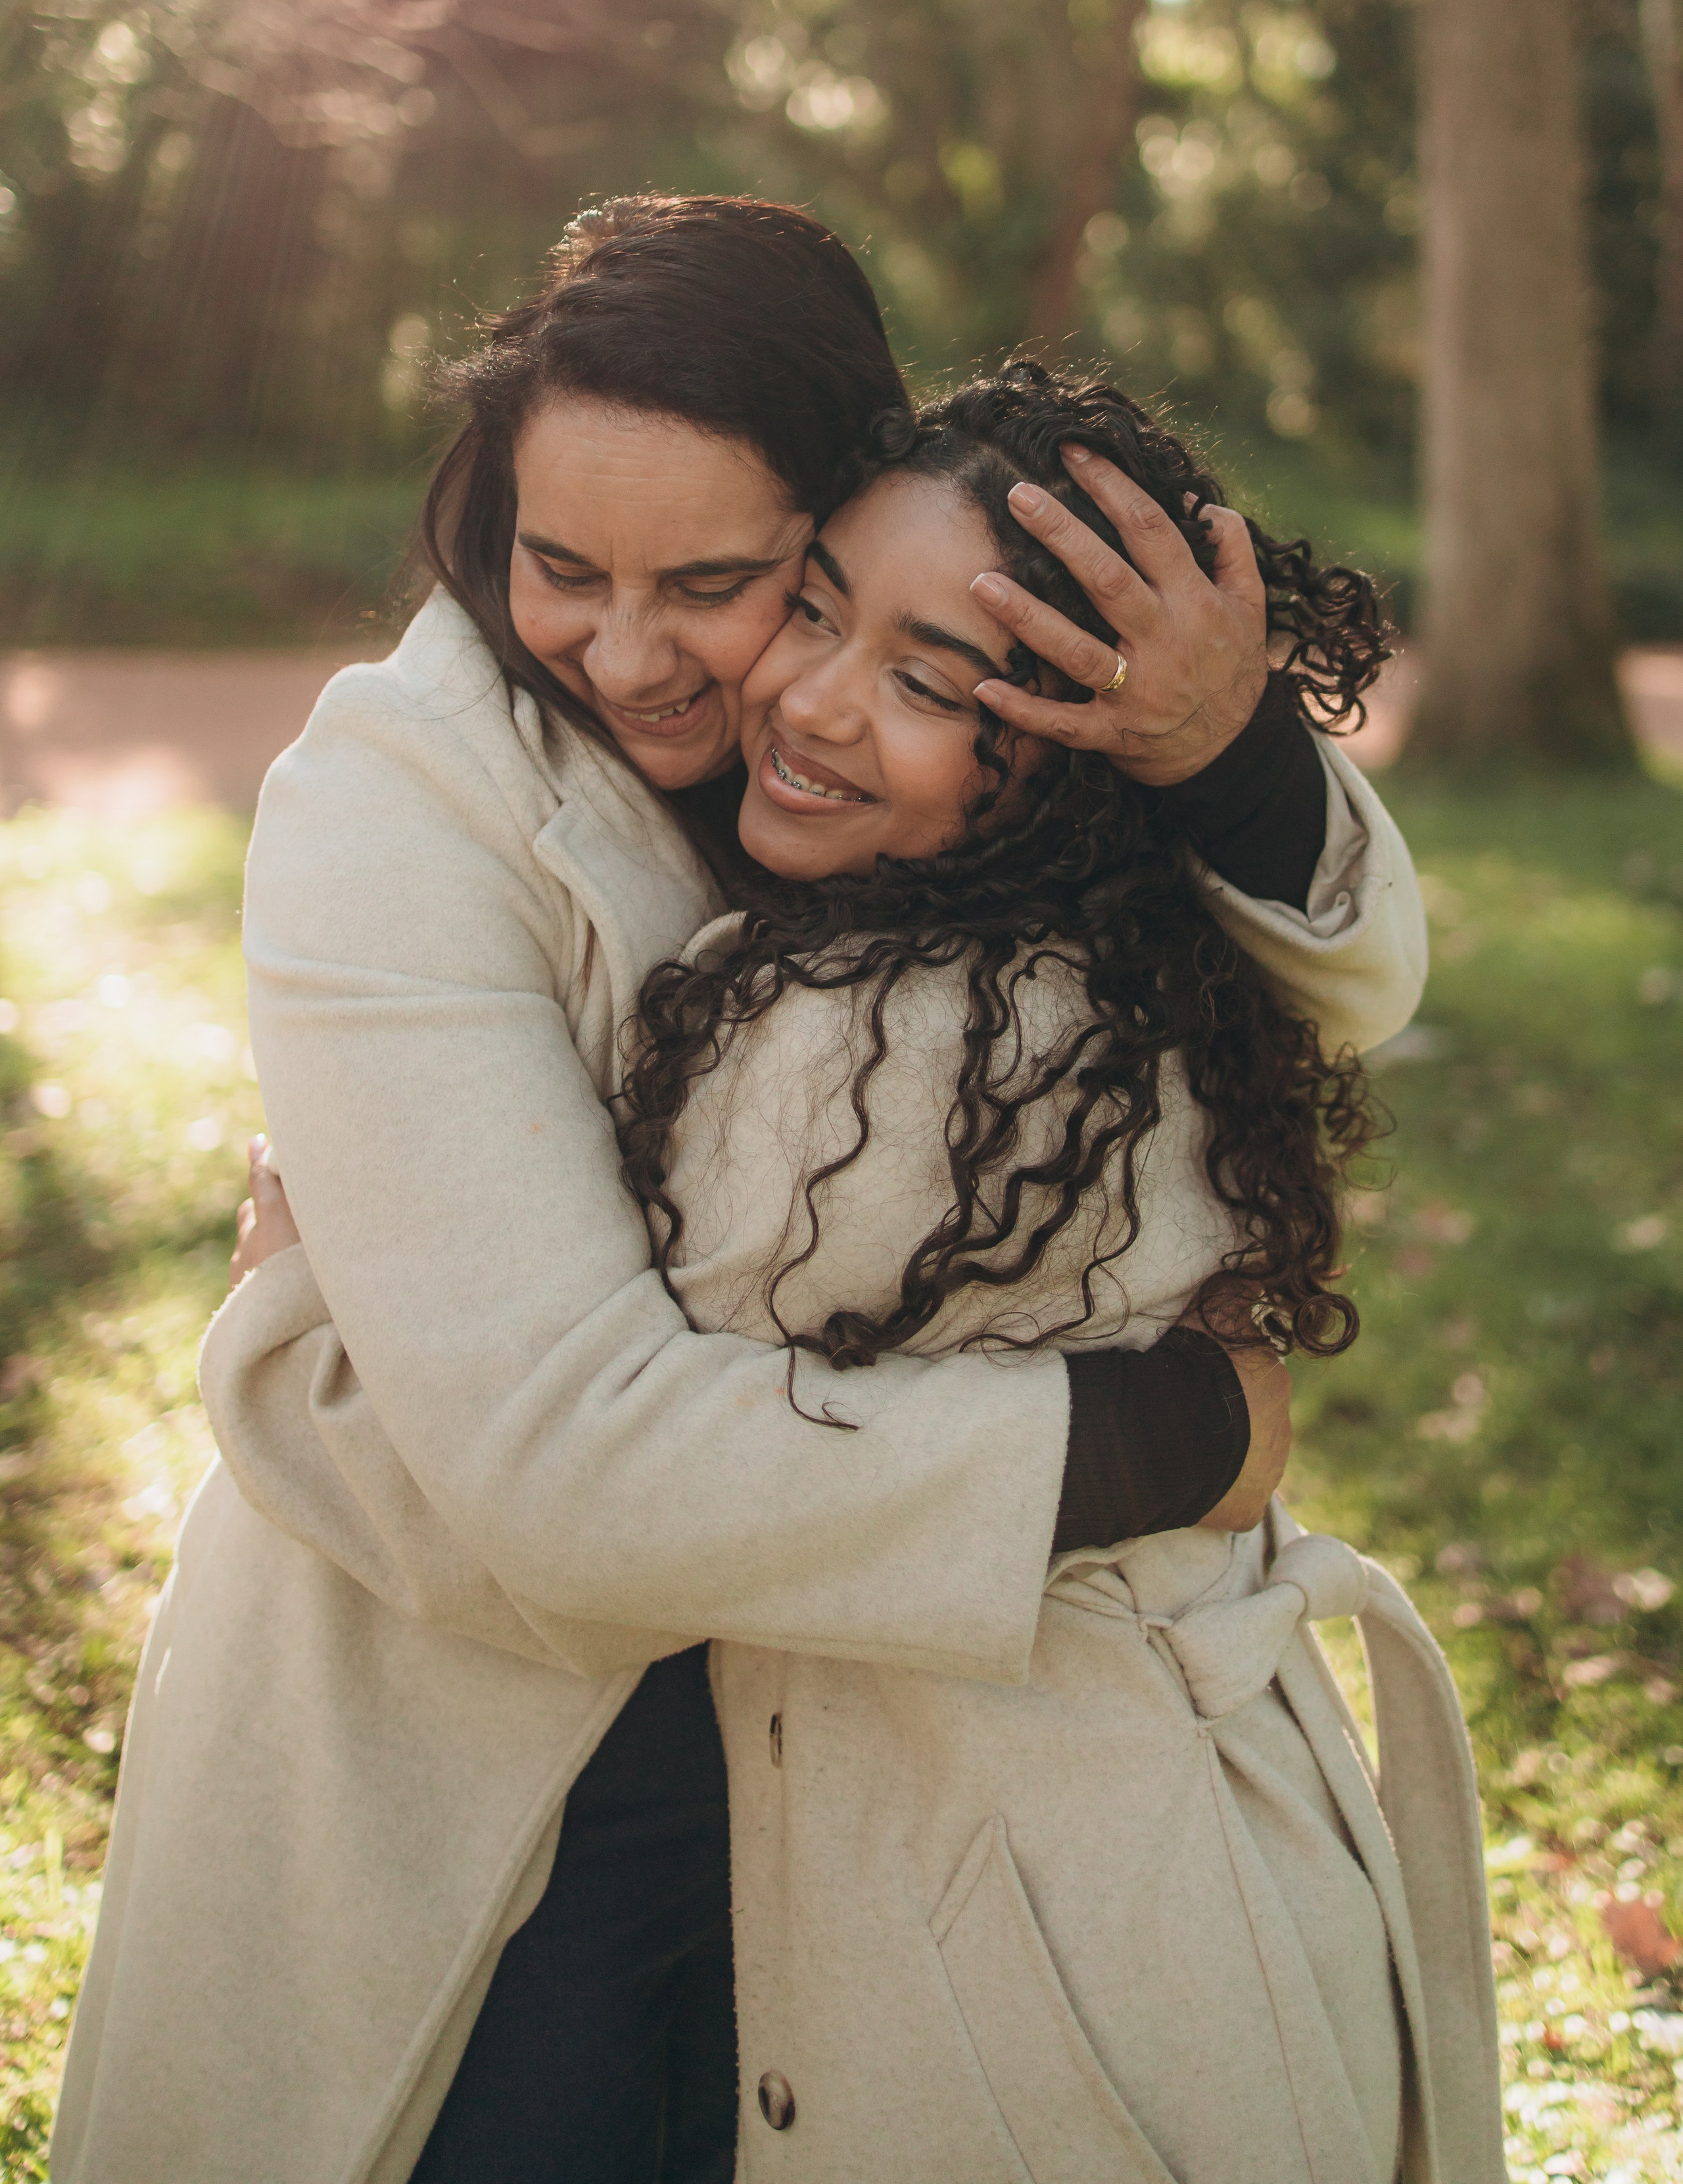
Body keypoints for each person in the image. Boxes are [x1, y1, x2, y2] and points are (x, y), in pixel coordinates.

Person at [53, 199, 1426, 2184]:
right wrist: (1154, 1436)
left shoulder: (997, 866)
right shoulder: (401, 800)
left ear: (846, 506)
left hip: (870, 1776)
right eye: (559, 569)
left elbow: (1353, 968)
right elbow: (577, 1477)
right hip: (482, 1784)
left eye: (718, 579)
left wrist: (1222, 753)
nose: (633, 654)